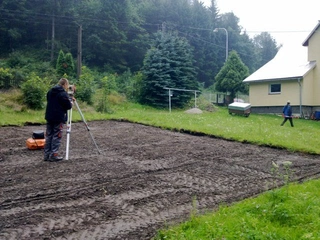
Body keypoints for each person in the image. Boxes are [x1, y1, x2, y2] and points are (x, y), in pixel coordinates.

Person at [44, 78, 73, 161]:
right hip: (58, 117)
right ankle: (54, 155)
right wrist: (70, 102)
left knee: (49, 135)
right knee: (57, 136)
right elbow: (68, 106)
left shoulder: (50, 91)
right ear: (64, 85)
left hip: (49, 116)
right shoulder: (62, 94)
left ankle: (47, 155)